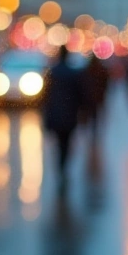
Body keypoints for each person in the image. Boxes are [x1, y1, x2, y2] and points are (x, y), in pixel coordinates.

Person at [42, 45, 87, 185]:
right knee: (66, 143)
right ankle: (63, 167)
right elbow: (81, 95)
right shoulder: (73, 73)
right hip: (69, 114)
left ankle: (60, 167)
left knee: (58, 143)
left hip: (56, 114)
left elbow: (45, 96)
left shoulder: (52, 73)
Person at [83, 54, 110, 140]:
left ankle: (90, 132)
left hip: (89, 97)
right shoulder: (102, 70)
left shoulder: (87, 70)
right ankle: (94, 132)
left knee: (91, 114)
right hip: (98, 97)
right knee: (96, 115)